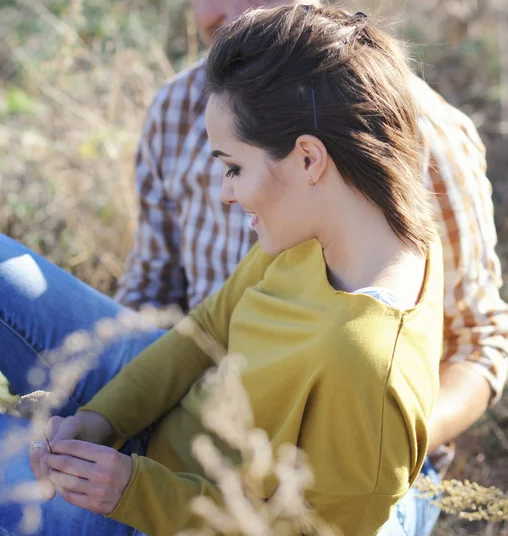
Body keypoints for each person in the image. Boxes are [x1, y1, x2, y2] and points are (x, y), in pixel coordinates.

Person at [0, 5, 446, 535]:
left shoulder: (369, 365)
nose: (225, 194)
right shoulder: (336, 225)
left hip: (158, 512)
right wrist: (105, 417)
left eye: (234, 168)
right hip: (167, 420)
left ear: (308, 159)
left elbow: (310, 532)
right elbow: (208, 329)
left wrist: (135, 491)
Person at [114, 0, 508, 534]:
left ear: (308, 161)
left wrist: (379, 435)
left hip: (343, 460)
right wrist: (120, 412)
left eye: (234, 169)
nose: (231, 12)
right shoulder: (187, 106)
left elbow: (482, 341)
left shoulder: (409, 138)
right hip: (203, 402)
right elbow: (160, 293)